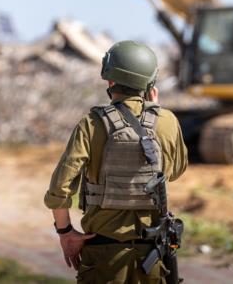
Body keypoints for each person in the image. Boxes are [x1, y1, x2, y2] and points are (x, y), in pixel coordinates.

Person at [44, 40, 188, 283]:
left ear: (110, 81)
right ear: (150, 84)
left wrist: (66, 233)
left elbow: (60, 188)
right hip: (150, 255)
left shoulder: (91, 123)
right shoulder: (167, 121)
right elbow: (174, 171)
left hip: (102, 255)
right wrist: (156, 110)